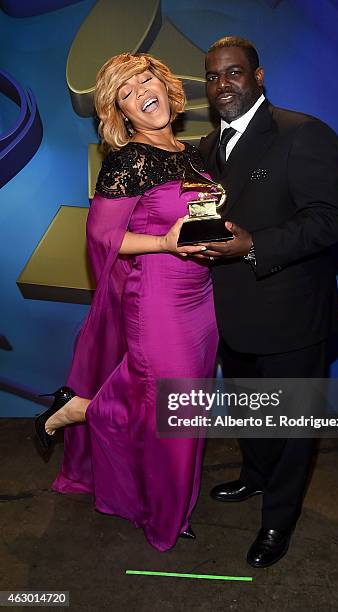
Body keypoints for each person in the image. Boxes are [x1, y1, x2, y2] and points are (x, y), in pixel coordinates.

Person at [35, 53, 218, 551]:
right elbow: (102, 240)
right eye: (128, 92)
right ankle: (164, 518)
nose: (143, 92)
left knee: (183, 410)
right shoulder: (130, 160)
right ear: (123, 114)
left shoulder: (193, 152)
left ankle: (81, 411)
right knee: (172, 417)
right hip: (157, 302)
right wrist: (164, 244)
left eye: (147, 80)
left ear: (166, 84)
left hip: (201, 301)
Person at [197, 37, 338, 568]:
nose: (223, 85)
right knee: (248, 412)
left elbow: (330, 221)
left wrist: (255, 245)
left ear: (258, 77)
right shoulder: (205, 149)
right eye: (213, 77)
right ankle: (254, 479)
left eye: (234, 73)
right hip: (233, 313)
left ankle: (278, 521)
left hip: (292, 314)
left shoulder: (303, 133)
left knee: (290, 424)